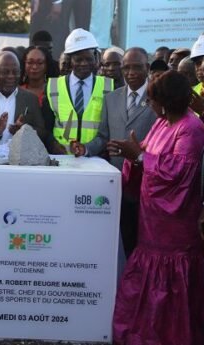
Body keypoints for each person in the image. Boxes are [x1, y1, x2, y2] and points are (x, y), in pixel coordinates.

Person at [111, 70, 204, 345]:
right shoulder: (162, 123)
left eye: (152, 100)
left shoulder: (192, 128)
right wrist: (133, 152)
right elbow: (147, 152)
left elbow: (178, 172)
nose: (149, 106)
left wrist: (138, 155)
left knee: (169, 286)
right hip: (151, 221)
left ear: (164, 101)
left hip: (174, 227)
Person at [71, 47, 157, 257]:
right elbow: (102, 135)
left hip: (148, 181)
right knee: (118, 240)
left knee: (142, 241)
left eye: (136, 67)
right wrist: (86, 149)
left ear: (147, 68)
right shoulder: (111, 98)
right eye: (126, 67)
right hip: (117, 181)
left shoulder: (157, 98)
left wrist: (138, 153)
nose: (130, 73)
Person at [43, 28, 114, 154]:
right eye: (78, 59)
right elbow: (46, 126)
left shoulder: (109, 87)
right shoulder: (52, 86)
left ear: (96, 57)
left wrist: (89, 149)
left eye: (88, 59)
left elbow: (109, 129)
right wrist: (53, 145)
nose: (84, 64)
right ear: (70, 60)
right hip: (62, 157)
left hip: (96, 157)